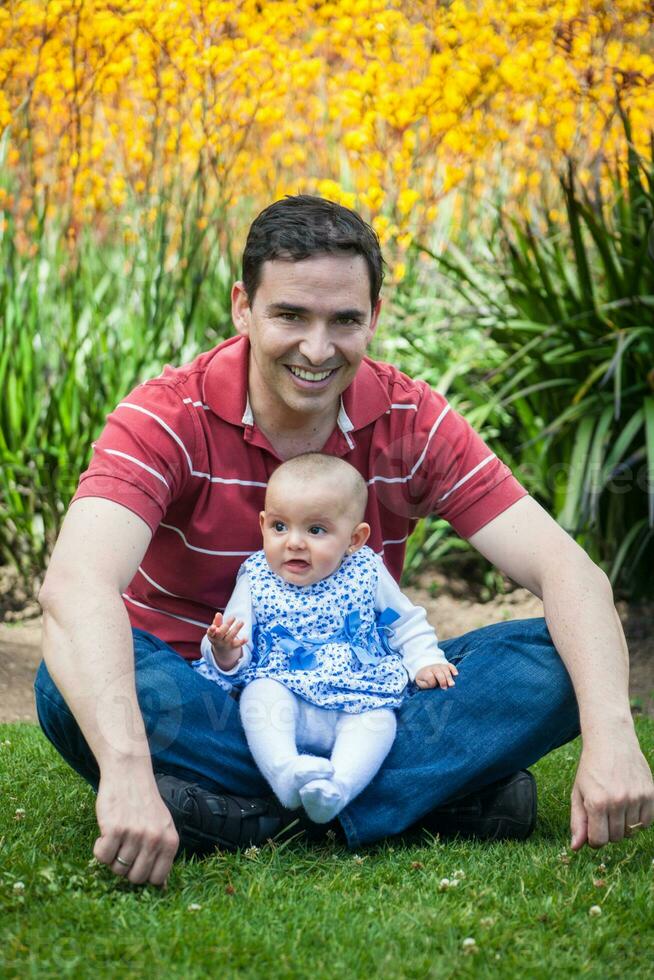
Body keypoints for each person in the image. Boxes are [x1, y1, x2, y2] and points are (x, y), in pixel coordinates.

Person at [34, 195, 653, 888]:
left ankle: (248, 814)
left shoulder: (411, 419)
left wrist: (614, 738)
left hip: (364, 695)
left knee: (555, 661)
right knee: (68, 683)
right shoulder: (166, 417)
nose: (318, 348)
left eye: (345, 320)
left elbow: (571, 573)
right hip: (205, 695)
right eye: (291, 315)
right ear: (244, 306)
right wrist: (123, 773)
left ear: (375, 318)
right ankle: (432, 801)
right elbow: (76, 585)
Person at [194, 453, 458, 823]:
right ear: (263, 524)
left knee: (379, 722)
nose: (295, 543)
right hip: (287, 691)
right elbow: (236, 640)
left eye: (316, 530)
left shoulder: (366, 570)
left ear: (355, 539)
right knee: (260, 696)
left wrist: (425, 659)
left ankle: (339, 788)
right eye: (280, 527)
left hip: (358, 692)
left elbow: (404, 621)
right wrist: (224, 649)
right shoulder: (256, 577)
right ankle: (285, 772)